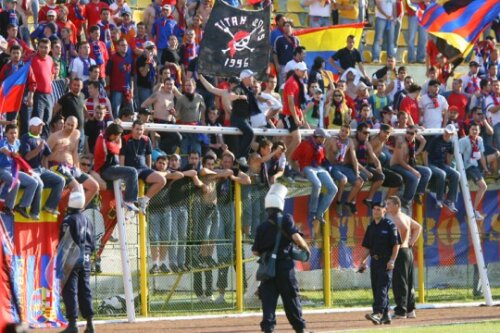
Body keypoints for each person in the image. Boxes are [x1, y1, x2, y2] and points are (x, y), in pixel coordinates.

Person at [252, 183, 310, 333]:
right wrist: (306, 249)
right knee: (291, 300)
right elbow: (296, 238)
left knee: (268, 302)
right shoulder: (286, 219)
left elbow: (255, 252)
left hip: (268, 271)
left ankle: (268, 329)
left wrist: (269, 252)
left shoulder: (261, 226)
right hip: (285, 268)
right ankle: (300, 329)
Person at [58, 188, 95, 333]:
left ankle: (72, 325)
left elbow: (64, 241)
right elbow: (92, 243)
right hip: (86, 257)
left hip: (72, 258)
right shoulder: (87, 220)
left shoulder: (68, 220)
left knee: (70, 290)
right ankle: (90, 324)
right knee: (85, 290)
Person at [291, 128, 337, 241]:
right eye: (323, 138)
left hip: (318, 168)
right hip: (306, 168)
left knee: (333, 188)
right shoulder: (305, 144)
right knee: (317, 185)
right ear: (318, 137)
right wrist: (298, 171)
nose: (324, 140)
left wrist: (329, 166)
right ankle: (312, 211)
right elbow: (293, 158)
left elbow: (321, 161)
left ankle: (319, 213)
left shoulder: (320, 147)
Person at [359, 202, 401, 325]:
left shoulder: (389, 225)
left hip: (386, 261)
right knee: (376, 288)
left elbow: (396, 245)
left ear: (384, 211)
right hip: (374, 261)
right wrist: (362, 261)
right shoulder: (371, 226)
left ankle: (377, 313)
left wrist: (392, 260)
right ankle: (386, 315)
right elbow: (368, 247)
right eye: (374, 209)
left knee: (382, 288)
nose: (376, 211)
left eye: (379, 209)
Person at [47, 116, 100, 208]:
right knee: (77, 187)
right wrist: (56, 152)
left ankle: (78, 210)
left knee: (94, 186)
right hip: (58, 166)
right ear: (64, 124)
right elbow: (45, 156)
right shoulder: (55, 137)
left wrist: (78, 168)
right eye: (68, 124)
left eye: (72, 125)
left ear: (76, 126)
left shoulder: (76, 134)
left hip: (72, 168)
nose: (69, 127)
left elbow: (74, 152)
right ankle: (71, 211)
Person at [385, 196, 422, 320]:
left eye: (389, 204)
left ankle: (401, 311)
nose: (386, 206)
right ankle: (410, 310)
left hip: (400, 252)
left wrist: (400, 243)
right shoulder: (405, 216)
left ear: (397, 205)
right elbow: (418, 227)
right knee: (408, 281)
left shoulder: (398, 218)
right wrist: (411, 242)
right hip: (407, 251)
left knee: (399, 282)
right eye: (386, 204)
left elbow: (406, 229)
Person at [19, 117, 65, 216]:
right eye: (39, 125)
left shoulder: (42, 139)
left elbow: (50, 156)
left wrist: (58, 150)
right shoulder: (25, 137)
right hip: (29, 170)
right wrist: (39, 148)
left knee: (60, 180)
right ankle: (34, 212)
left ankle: (50, 206)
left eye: (42, 125)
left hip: (40, 170)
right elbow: (27, 157)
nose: (41, 127)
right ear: (32, 126)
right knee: (40, 183)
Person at [120, 120, 166, 213]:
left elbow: (149, 156)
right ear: (132, 129)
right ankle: (130, 202)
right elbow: (122, 157)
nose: (139, 132)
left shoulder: (146, 139)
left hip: (143, 168)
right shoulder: (125, 139)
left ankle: (144, 200)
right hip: (131, 169)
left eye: (141, 129)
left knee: (162, 180)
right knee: (133, 177)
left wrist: (149, 169)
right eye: (137, 129)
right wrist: (122, 171)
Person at [94, 123, 139, 212]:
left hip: (108, 168)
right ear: (112, 135)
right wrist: (120, 140)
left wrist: (116, 124)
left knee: (129, 173)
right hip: (106, 170)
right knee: (132, 171)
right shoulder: (107, 144)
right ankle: (129, 200)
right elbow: (119, 148)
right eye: (118, 136)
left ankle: (126, 197)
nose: (118, 138)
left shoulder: (102, 136)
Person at [0, 124, 41, 218]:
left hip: (13, 170)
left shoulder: (18, 142)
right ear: (6, 134)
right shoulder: (3, 142)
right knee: (16, 182)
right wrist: (11, 154)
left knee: (33, 182)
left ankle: (22, 206)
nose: (13, 135)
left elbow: (19, 157)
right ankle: (8, 207)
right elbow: (4, 150)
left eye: (15, 133)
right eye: (11, 133)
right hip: (2, 169)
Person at [424, 124, 460, 212]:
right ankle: (439, 199)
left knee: (456, 174)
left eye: (449, 133)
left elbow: (449, 155)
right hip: (432, 164)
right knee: (442, 174)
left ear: (452, 135)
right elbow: (425, 153)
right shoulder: (436, 139)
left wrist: (449, 167)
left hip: (441, 164)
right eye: (446, 132)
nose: (447, 134)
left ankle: (450, 201)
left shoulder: (450, 142)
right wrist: (427, 166)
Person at [458, 123, 489, 220]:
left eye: (476, 129)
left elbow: (481, 155)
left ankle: (473, 210)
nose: (474, 131)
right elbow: (458, 155)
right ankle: (473, 210)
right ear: (469, 130)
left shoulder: (479, 140)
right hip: (466, 167)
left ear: (479, 131)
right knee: (483, 186)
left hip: (474, 166)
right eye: (473, 129)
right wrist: (459, 169)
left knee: (483, 186)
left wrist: (486, 168)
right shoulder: (463, 141)